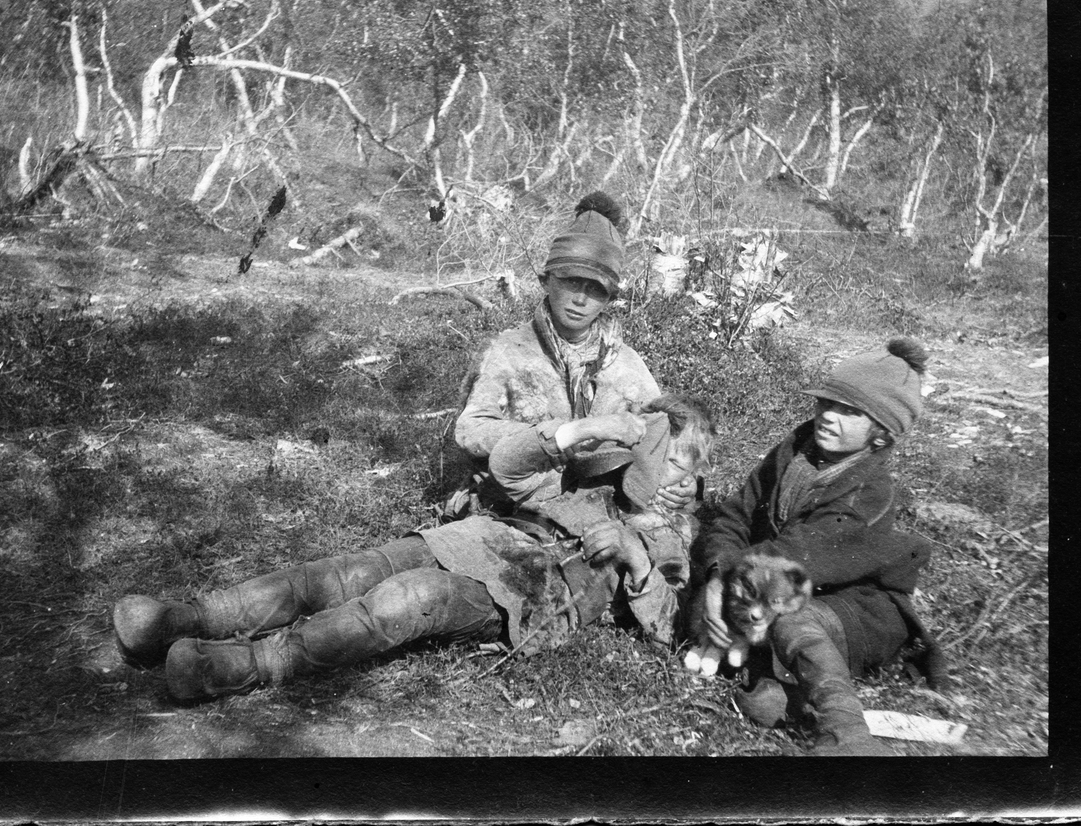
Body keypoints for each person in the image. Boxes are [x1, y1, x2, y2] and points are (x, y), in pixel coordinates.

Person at [112, 394, 715, 701]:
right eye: (659, 456)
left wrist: (637, 559)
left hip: (526, 597)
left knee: (408, 598)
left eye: (682, 464)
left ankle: (240, 667)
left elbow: (677, 625)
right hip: (474, 539)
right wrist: (582, 432)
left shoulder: (675, 540)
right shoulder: (590, 479)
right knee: (345, 573)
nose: (671, 475)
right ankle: (187, 618)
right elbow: (508, 465)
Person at [689, 338, 948, 756]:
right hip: (770, 587)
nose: (829, 416)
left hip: (855, 608)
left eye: (850, 412)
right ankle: (784, 694)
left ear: (881, 434)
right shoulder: (794, 452)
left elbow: (791, 557)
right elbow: (734, 517)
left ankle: (847, 733)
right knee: (757, 687)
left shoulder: (869, 492)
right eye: (826, 403)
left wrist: (725, 584)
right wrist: (717, 573)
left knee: (791, 622)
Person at [452, 192, 696, 518]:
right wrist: (562, 435)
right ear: (546, 281)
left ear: (609, 298)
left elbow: (663, 435)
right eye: (571, 282)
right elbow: (469, 431)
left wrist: (687, 483)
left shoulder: (625, 363)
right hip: (514, 506)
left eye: (596, 289)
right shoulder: (508, 352)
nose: (580, 299)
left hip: (601, 508)